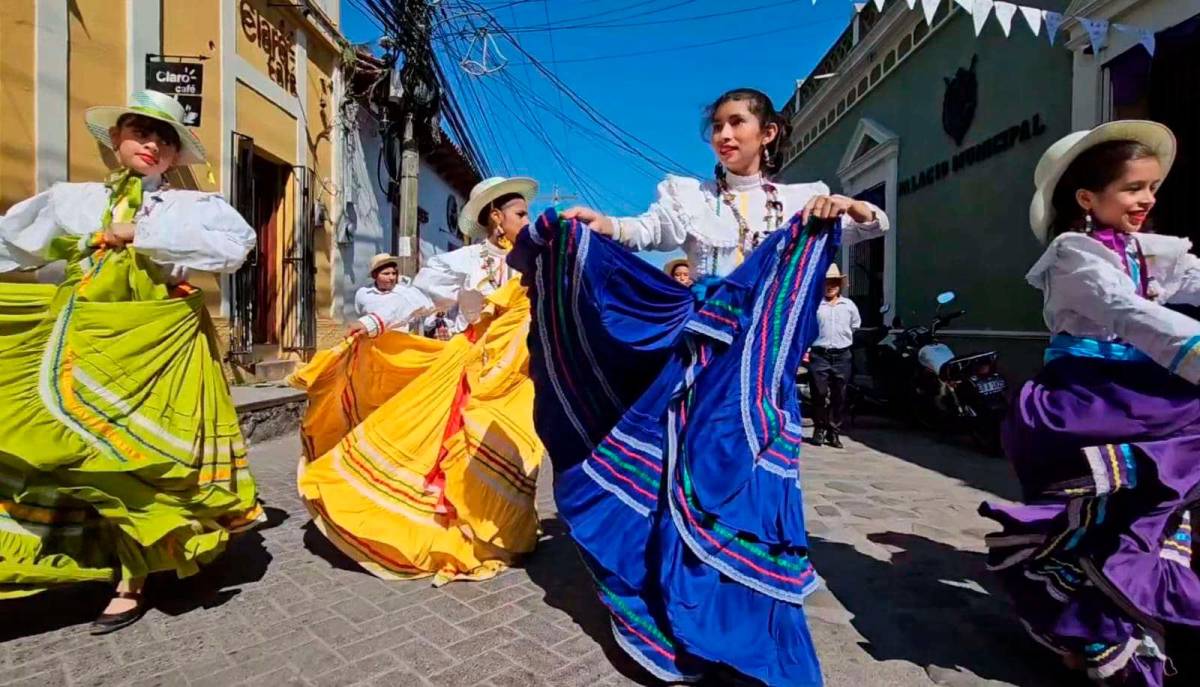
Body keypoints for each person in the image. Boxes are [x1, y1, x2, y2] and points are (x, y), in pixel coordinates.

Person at [512, 88, 888, 685]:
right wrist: (599, 224)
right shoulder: (687, 196)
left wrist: (851, 207)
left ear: (768, 133)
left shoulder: (801, 198)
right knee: (693, 473)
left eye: (738, 123)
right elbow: (645, 230)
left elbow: (870, 225)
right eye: (717, 125)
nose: (724, 134)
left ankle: (747, 623)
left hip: (761, 369)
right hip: (700, 360)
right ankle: (681, 608)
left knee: (753, 484)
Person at [0, 90, 263, 633]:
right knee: (69, 449)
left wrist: (135, 233)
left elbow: (233, 249)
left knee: (135, 460)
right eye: (141, 132)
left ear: (173, 156)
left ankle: (132, 578)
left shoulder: (193, 207)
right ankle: (86, 557)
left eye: (165, 140)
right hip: (81, 339)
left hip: (154, 348)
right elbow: (13, 245)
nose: (152, 145)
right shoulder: (71, 201)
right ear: (117, 139)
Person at [979, 121, 1200, 687]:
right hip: (1087, 401)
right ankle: (1092, 624)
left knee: (1154, 512)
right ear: (1087, 197)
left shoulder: (1151, 253)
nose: (1147, 200)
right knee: (1101, 520)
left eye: (1152, 187)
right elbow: (1130, 313)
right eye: (1132, 188)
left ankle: (1118, 614)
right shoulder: (1074, 257)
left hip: (1144, 396)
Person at [294, 176, 545, 586]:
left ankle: (502, 532)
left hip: (520, 373)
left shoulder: (537, 262)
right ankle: (465, 533)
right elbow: (421, 297)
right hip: (473, 369)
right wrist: (376, 320)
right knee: (471, 445)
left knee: (520, 447)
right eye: (521, 214)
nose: (528, 220)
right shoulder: (465, 261)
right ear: (496, 218)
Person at [809, 263, 860, 448]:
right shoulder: (815, 306)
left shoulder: (849, 306)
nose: (830, 286)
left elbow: (855, 326)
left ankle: (834, 431)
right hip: (819, 354)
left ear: (840, 285)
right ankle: (819, 428)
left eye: (834, 283)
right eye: (827, 282)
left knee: (840, 394)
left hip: (842, 355)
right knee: (819, 393)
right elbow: (807, 329)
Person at [350, 252, 431, 335]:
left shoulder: (405, 293)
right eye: (386, 274)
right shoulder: (363, 293)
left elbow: (424, 314)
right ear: (375, 275)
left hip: (400, 342)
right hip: (372, 342)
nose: (392, 277)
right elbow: (360, 315)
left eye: (394, 273)